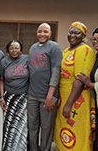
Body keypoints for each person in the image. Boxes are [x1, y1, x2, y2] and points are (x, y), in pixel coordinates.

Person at [53, 21, 96, 151]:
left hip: (77, 99)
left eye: (77, 33)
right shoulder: (67, 50)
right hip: (64, 97)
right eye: (70, 32)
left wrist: (68, 104)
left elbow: (80, 80)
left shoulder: (85, 50)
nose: (73, 35)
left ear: (83, 36)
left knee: (77, 129)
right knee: (65, 128)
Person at [28, 23, 62, 151]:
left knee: (46, 128)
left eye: (45, 31)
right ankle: (33, 148)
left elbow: (56, 73)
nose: (42, 34)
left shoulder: (54, 47)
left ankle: (45, 149)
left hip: (46, 96)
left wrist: (50, 96)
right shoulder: (32, 48)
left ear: (50, 33)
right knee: (32, 126)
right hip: (32, 95)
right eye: (39, 31)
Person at [0, 40, 29, 151]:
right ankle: (7, 148)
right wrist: (2, 97)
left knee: (21, 125)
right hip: (9, 97)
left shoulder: (27, 59)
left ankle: (20, 148)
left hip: (23, 97)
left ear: (21, 49)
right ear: (8, 50)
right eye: (11, 48)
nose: (14, 50)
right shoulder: (4, 62)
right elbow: (1, 80)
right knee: (8, 125)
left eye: (17, 48)